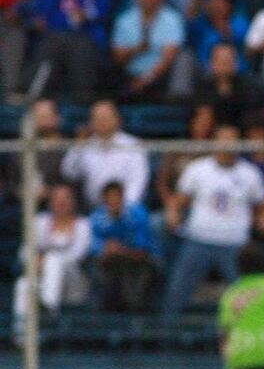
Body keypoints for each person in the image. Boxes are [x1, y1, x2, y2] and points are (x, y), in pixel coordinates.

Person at [164, 124, 264, 316]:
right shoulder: (198, 169)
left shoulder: (250, 173)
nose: (228, 144)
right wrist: (173, 214)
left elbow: (263, 205)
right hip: (200, 238)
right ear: (214, 142)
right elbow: (178, 200)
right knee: (177, 290)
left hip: (235, 241)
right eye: (223, 139)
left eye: (232, 139)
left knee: (245, 293)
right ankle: (167, 332)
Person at [13, 183, 91, 340]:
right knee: (23, 284)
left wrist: (45, 260)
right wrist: (35, 261)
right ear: (50, 202)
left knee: (55, 259)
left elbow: (78, 254)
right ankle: (23, 339)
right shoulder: (40, 221)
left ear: (74, 202)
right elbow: (24, 252)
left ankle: (49, 310)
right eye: (57, 198)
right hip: (42, 277)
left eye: (66, 198)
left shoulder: (83, 224)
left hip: (73, 283)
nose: (62, 202)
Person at [61, 99, 151, 209]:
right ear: (91, 122)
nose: (102, 122)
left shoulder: (133, 145)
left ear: (117, 120)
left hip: (126, 209)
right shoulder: (85, 145)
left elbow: (138, 182)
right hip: (93, 209)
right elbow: (69, 173)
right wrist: (78, 146)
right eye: (97, 118)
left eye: (105, 117)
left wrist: (122, 209)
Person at [90, 180, 162, 312]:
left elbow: (143, 251)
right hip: (111, 265)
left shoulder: (138, 214)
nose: (114, 202)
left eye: (116, 197)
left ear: (122, 197)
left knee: (135, 278)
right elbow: (96, 251)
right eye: (109, 198)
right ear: (104, 200)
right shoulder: (96, 218)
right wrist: (109, 251)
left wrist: (120, 249)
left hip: (141, 264)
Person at [110, 0, 188, 99]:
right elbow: (117, 57)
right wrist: (136, 50)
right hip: (128, 75)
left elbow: (169, 57)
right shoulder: (124, 20)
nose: (150, 0)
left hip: (160, 77)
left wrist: (147, 79)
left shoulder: (172, 20)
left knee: (184, 58)